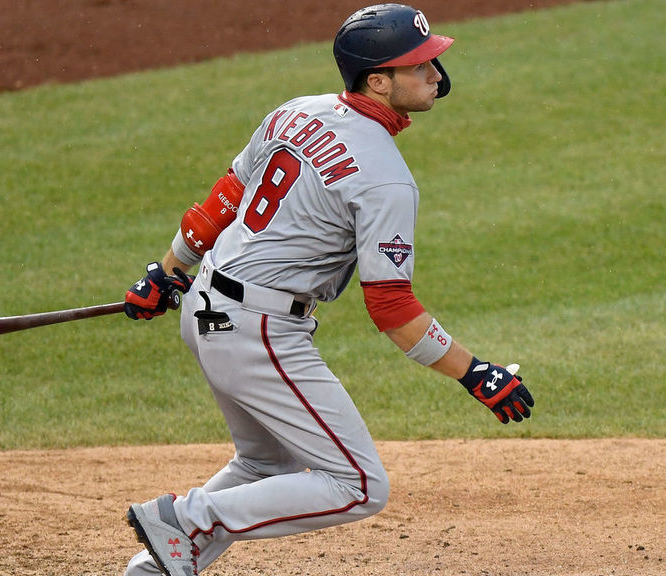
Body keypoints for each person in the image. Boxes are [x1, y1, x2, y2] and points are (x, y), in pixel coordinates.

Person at [121, 4, 534, 575]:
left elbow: (225, 197)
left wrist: (169, 270)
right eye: (421, 66)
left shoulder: (295, 112)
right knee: (359, 485)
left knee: (266, 464)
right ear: (378, 80)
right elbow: (391, 309)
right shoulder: (385, 177)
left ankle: (154, 567)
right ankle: (185, 520)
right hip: (257, 331)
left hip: (207, 308)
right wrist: (474, 372)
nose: (437, 76)